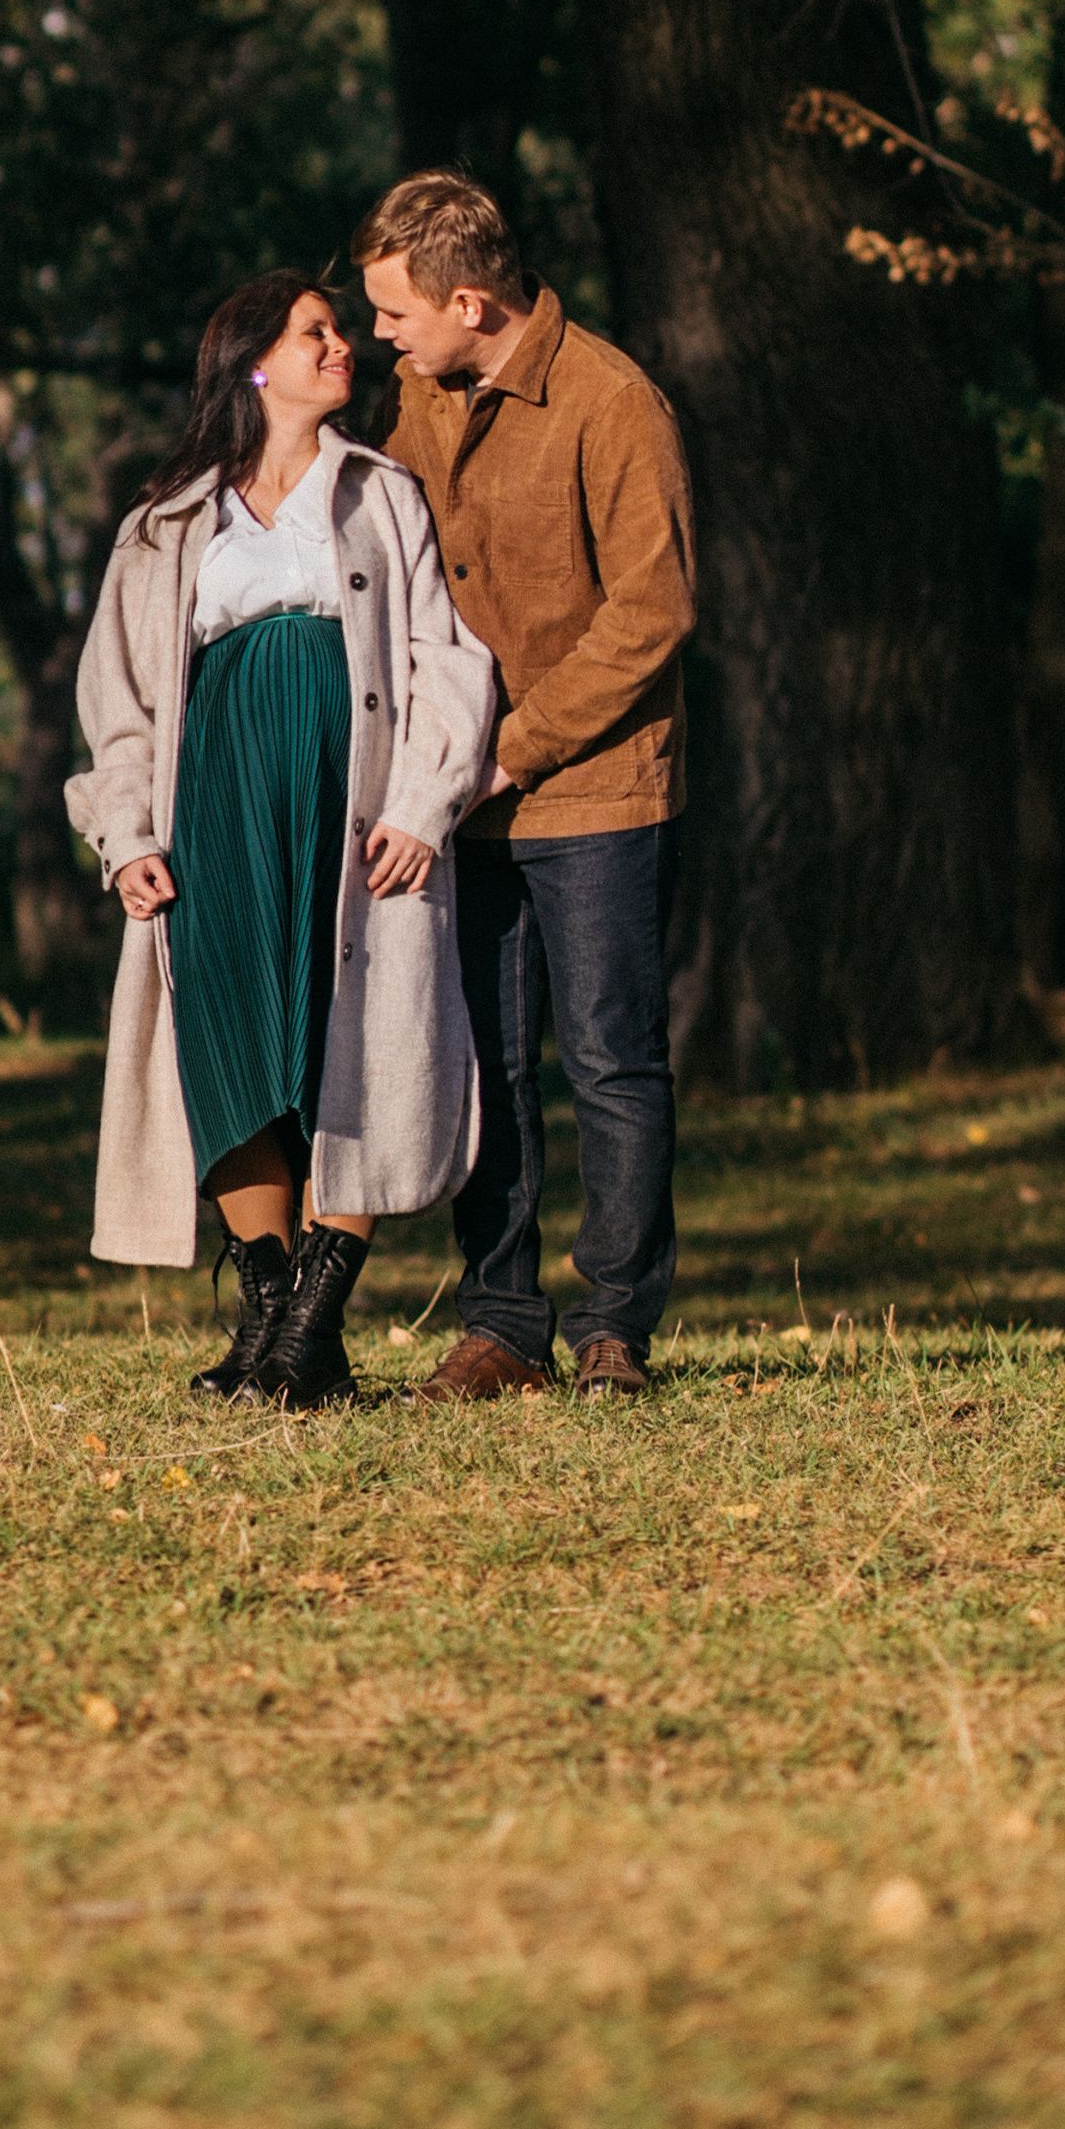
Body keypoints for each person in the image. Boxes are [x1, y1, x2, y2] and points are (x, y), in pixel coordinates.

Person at [66, 273, 499, 1408]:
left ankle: (313, 1322)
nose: (342, 346)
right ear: (255, 365)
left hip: (354, 805)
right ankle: (271, 1317)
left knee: (347, 1041)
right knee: (228, 1044)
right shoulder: (163, 524)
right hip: (214, 801)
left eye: (342, 330)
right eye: (316, 332)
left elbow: (447, 659)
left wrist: (422, 801)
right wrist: (126, 835)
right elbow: (117, 701)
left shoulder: (382, 494)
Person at [353, 170, 696, 1402]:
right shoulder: (419, 396)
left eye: (395, 312)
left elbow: (652, 615)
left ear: (470, 301)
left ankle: (616, 1324)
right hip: (461, 793)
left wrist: (513, 746)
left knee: (609, 1058)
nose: (381, 335)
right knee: (485, 1059)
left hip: (594, 789)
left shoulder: (612, 403)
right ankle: (502, 1321)